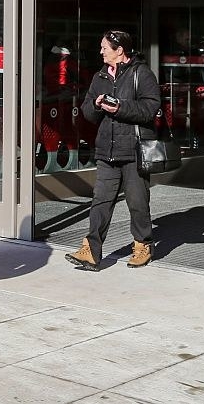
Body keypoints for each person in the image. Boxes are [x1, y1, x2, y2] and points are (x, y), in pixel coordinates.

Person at [66, 30, 161, 271]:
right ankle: (90, 250)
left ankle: (143, 245)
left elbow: (149, 109)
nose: (101, 52)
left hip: (133, 150)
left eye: (105, 48)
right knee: (100, 201)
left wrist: (119, 107)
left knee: (137, 201)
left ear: (120, 51)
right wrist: (97, 105)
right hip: (106, 149)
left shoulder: (142, 73)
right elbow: (87, 111)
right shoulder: (100, 76)